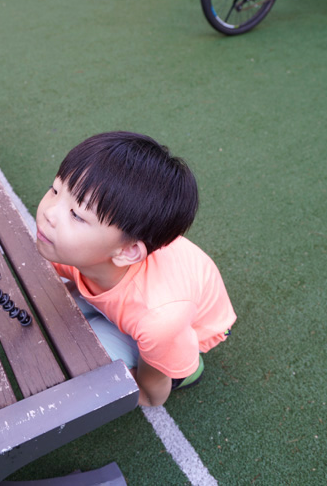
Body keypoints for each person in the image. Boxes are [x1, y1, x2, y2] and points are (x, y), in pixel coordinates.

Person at [35, 131, 236, 407]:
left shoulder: (159, 319)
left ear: (127, 251)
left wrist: (116, 384)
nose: (49, 212)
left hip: (183, 326)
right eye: (55, 190)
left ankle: (187, 372)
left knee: (77, 362)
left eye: (77, 215)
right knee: (47, 314)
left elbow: (152, 395)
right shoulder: (70, 245)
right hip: (129, 297)